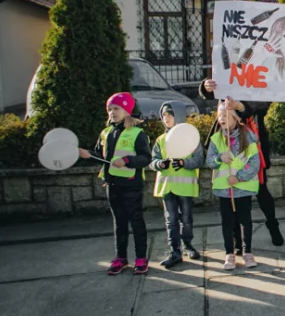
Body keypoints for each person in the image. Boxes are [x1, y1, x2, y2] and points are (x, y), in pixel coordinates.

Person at [201, 79, 284, 248]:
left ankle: (272, 224)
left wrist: (240, 106)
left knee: (261, 188)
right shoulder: (228, 68)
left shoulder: (258, 73)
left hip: (251, 136)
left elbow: (264, 103)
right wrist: (206, 86)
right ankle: (236, 239)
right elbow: (212, 92)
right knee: (231, 189)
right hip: (228, 135)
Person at [79, 93, 152, 275]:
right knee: (119, 223)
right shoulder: (106, 133)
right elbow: (99, 156)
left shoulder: (137, 133)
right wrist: (87, 154)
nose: (112, 112)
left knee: (136, 221)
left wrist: (127, 160)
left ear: (127, 111)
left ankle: (141, 258)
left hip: (131, 185)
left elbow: (145, 158)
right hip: (112, 185)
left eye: (116, 108)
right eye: (110, 109)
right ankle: (121, 258)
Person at [207, 100, 261, 271]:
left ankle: (248, 251)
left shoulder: (249, 136)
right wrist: (219, 158)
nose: (221, 118)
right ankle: (229, 253)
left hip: (243, 188)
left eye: (225, 115)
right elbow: (209, 161)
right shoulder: (216, 139)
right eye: (220, 115)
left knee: (245, 221)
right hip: (225, 190)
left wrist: (239, 177)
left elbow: (255, 163)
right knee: (227, 222)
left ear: (236, 118)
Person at [150, 102, 203, 268]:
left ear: (178, 116)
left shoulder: (191, 138)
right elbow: (153, 161)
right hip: (167, 187)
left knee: (186, 220)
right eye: (164, 115)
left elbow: (199, 160)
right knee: (170, 220)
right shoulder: (160, 139)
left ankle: (187, 245)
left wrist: (184, 162)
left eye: (170, 115)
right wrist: (159, 164)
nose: (166, 118)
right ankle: (175, 251)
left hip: (185, 188)